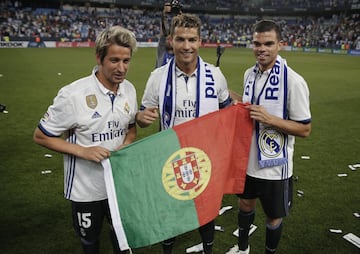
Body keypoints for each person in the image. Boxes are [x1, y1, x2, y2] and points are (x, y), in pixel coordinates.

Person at [33, 26, 138, 254]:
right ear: (99, 57)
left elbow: (131, 129)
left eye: (126, 61)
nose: (121, 68)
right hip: (85, 188)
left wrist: (128, 143)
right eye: (114, 60)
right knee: (90, 242)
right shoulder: (73, 95)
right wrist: (83, 151)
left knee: (123, 237)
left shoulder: (129, 90)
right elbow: (41, 136)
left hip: (117, 184)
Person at [136, 13, 232, 254]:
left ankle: (208, 249)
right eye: (180, 39)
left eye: (192, 39)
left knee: (206, 212)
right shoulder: (157, 78)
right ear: (171, 40)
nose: (186, 46)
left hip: (205, 159)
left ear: (200, 41)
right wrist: (142, 118)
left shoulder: (215, 75)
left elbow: (228, 112)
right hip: (171, 158)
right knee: (169, 212)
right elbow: (143, 116)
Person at [226, 20, 311, 254]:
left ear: (280, 45)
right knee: (244, 204)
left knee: (273, 217)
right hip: (248, 159)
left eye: (268, 43)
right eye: (257, 43)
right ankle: (242, 248)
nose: (261, 48)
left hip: (276, 166)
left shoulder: (293, 81)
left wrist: (270, 119)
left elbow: (305, 129)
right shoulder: (249, 74)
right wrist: (228, 96)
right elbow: (248, 106)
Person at [155, 1, 179, 68]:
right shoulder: (162, 52)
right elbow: (163, 31)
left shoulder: (178, 55)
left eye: (170, 39)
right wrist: (164, 13)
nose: (168, 41)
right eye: (167, 39)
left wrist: (179, 14)